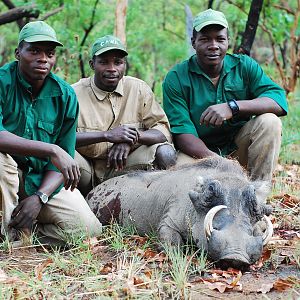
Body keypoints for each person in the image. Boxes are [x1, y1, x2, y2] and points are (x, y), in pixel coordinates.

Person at [0, 21, 102, 244]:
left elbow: (62, 158)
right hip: (6, 177)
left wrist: (40, 197)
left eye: (50, 53)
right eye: (34, 50)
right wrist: (51, 149)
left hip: (38, 180)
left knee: (88, 230)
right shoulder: (2, 82)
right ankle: (7, 235)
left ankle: (28, 234)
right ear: (18, 53)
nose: (43, 58)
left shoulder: (64, 95)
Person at [163, 9, 288, 182]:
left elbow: (278, 101)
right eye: (205, 39)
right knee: (182, 181)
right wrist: (221, 164)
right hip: (198, 155)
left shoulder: (244, 66)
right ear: (193, 42)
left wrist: (233, 107)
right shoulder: (177, 77)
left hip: (240, 149)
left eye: (220, 39)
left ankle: (258, 195)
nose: (213, 45)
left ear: (228, 41)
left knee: (270, 122)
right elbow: (183, 135)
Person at [72, 35, 176, 196]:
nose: (112, 68)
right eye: (104, 62)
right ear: (92, 64)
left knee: (166, 153)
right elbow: (61, 137)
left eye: (118, 62)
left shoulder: (138, 89)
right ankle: (77, 203)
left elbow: (163, 131)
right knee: (63, 154)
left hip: (124, 167)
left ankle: (163, 200)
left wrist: (130, 138)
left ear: (124, 64)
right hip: (87, 171)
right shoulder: (73, 94)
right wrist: (106, 136)